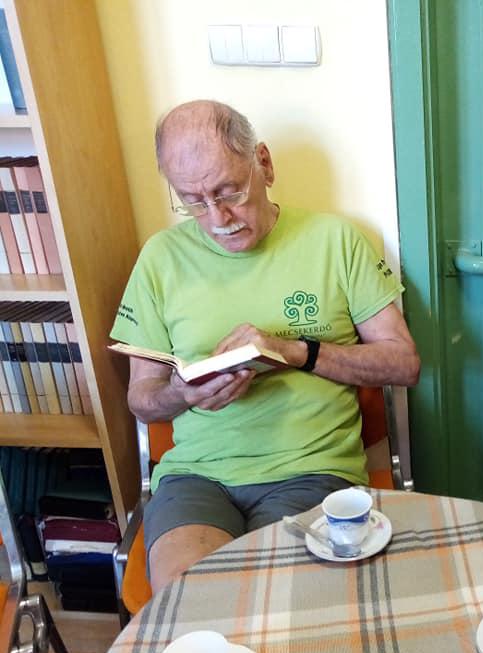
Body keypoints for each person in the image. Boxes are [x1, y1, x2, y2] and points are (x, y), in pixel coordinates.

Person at [110, 100, 420, 592]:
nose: (218, 217)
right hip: (196, 478)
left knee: (278, 603)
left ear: (264, 164)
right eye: (193, 201)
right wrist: (182, 394)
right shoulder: (160, 258)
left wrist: (297, 351)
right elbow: (141, 399)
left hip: (312, 472)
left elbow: (404, 364)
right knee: (191, 602)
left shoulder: (335, 241)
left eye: (228, 190)